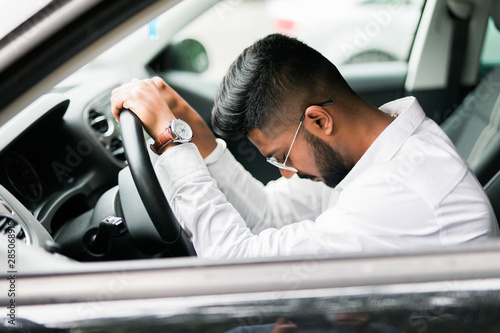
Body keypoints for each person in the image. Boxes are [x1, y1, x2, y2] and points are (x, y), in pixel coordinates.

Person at [111, 33, 498, 259]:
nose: (284, 172)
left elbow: (235, 265)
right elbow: (266, 215)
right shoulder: (384, 150)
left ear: (319, 120)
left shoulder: (399, 191)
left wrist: (169, 142)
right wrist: (200, 143)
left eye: (282, 156)